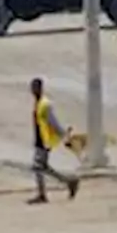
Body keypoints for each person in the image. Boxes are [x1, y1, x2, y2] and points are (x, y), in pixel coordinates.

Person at [28, 77, 80, 205]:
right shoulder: (38, 103)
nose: (34, 90)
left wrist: (64, 135)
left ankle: (42, 195)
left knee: (37, 168)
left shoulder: (45, 104)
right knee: (43, 168)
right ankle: (69, 182)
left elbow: (53, 122)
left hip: (44, 140)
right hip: (39, 138)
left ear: (41, 88)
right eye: (32, 88)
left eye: (36, 88)